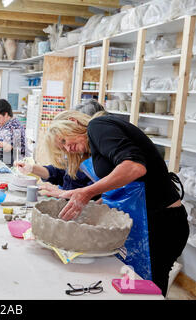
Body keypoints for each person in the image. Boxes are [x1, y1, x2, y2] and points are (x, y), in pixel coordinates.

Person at [46, 109, 189, 296]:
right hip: (146, 220)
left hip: (161, 224)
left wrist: (87, 192)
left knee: (146, 291)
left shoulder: (99, 126)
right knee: (131, 287)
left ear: (73, 121)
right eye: (62, 148)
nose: (67, 148)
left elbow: (134, 167)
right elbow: (124, 189)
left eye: (64, 141)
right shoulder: (97, 146)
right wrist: (89, 205)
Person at [15, 99, 107, 197]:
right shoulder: (78, 151)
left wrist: (63, 193)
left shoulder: (101, 153)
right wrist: (32, 168)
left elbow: (96, 193)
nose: (67, 149)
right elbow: (60, 172)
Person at [0, 99, 26, 165]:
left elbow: (8, 148)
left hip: (14, 164)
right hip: (0, 160)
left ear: (6, 114)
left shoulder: (15, 126)